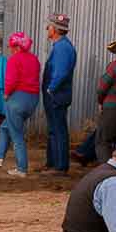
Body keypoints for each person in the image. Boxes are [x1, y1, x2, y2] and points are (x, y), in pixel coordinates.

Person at [73, 32, 116, 169]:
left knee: (103, 141)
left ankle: (107, 170)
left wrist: (101, 101)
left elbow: (102, 87)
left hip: (112, 107)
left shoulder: (115, 65)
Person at [0, 31, 40, 177]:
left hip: (17, 99)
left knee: (17, 135)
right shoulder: (34, 59)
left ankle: (21, 169)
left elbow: (11, 80)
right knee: (5, 126)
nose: (10, 49)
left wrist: (6, 94)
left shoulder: (14, 59)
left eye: (11, 46)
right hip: (32, 99)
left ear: (18, 47)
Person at [40, 13, 76, 173]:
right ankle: (52, 162)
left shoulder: (62, 48)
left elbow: (61, 72)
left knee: (58, 130)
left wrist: (51, 88)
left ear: (54, 29)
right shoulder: (61, 46)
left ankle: (60, 166)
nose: (47, 28)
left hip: (56, 96)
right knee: (54, 130)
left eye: (49, 26)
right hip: (56, 95)